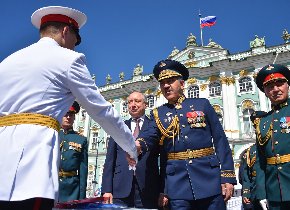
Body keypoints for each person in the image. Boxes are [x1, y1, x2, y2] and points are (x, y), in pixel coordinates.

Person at [0, 6, 137, 210]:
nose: (74, 46)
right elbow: (101, 110)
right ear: (66, 31)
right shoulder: (69, 60)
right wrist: (130, 146)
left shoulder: (8, 61)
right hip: (31, 164)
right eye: (76, 39)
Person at [135, 59, 237, 210]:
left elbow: (220, 140)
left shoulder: (202, 105)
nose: (165, 86)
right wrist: (138, 144)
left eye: (170, 81)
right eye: (162, 83)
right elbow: (150, 134)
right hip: (177, 184)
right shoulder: (158, 113)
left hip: (209, 178)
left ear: (182, 84)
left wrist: (228, 176)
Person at [102, 91, 162, 209]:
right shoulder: (119, 127)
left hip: (148, 187)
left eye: (137, 101)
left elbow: (163, 158)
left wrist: (163, 190)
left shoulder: (154, 126)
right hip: (121, 187)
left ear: (146, 104)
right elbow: (110, 161)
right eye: (130, 102)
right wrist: (107, 190)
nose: (133, 105)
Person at [254, 64, 290, 210]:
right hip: (274, 191)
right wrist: (262, 192)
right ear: (265, 92)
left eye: (279, 84)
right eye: (269, 87)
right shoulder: (263, 121)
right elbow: (261, 161)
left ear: (287, 85)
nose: (275, 89)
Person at [58, 101, 88, 202]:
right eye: (65, 114)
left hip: (71, 190)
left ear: (74, 117)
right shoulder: (52, 135)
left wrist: (81, 197)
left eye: (71, 115)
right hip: (51, 185)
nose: (68, 117)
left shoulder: (80, 140)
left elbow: (83, 170)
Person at [240, 111, 266, 210]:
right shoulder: (251, 151)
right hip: (255, 193)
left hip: (272, 191)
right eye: (255, 126)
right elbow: (246, 173)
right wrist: (246, 192)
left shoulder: (273, 146)